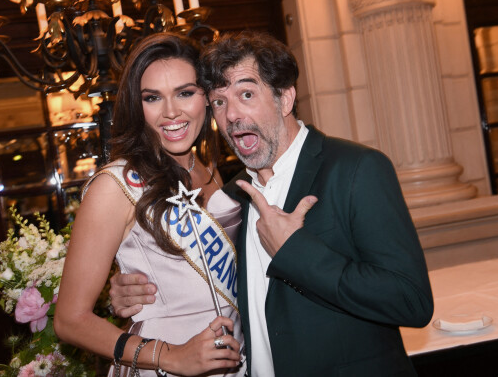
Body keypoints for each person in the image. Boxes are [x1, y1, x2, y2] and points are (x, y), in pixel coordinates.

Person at [109, 30, 434, 376]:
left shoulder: (356, 170)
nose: (232, 115)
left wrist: (296, 251)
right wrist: (129, 288)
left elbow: (411, 301)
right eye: (219, 101)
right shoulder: (230, 197)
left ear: (285, 97)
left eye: (246, 94)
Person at [54, 32, 246, 377]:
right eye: (152, 97)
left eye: (185, 93)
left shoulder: (211, 173)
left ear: (206, 97)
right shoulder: (117, 184)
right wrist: (169, 356)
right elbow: (70, 320)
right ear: (136, 105)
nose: (171, 112)